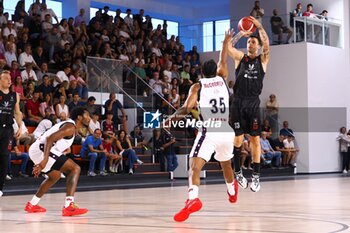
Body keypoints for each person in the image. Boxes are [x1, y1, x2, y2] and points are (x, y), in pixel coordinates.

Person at [164, 32, 237, 222]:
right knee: (226, 164)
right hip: (226, 130)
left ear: (202, 73)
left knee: (194, 166)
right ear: (217, 70)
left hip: (210, 131)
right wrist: (226, 41)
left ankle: (193, 199)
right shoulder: (222, 78)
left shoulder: (197, 87)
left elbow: (186, 108)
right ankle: (231, 190)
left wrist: (170, 119)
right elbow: (224, 59)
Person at [227, 16, 270, 192]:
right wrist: (240, 34)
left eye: (253, 42)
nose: (250, 44)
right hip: (238, 101)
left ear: (257, 46)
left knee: (255, 140)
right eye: (249, 42)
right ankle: (238, 172)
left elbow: (267, 44)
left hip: (253, 103)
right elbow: (229, 47)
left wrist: (259, 26)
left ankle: (256, 177)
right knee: (237, 139)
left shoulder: (262, 60)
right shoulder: (240, 58)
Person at [25, 107, 89, 216]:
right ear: (79, 117)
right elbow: (50, 138)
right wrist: (44, 161)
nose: (89, 118)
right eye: (87, 115)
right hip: (42, 149)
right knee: (75, 169)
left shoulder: (71, 127)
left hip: (37, 150)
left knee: (55, 176)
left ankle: (32, 204)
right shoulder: (70, 127)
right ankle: (69, 206)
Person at [0, 70, 22, 197]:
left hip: (8, 130)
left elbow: (17, 112)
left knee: (4, 158)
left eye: (10, 78)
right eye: (6, 78)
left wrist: (20, 127)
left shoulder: (15, 95)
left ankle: (0, 188)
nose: (9, 80)